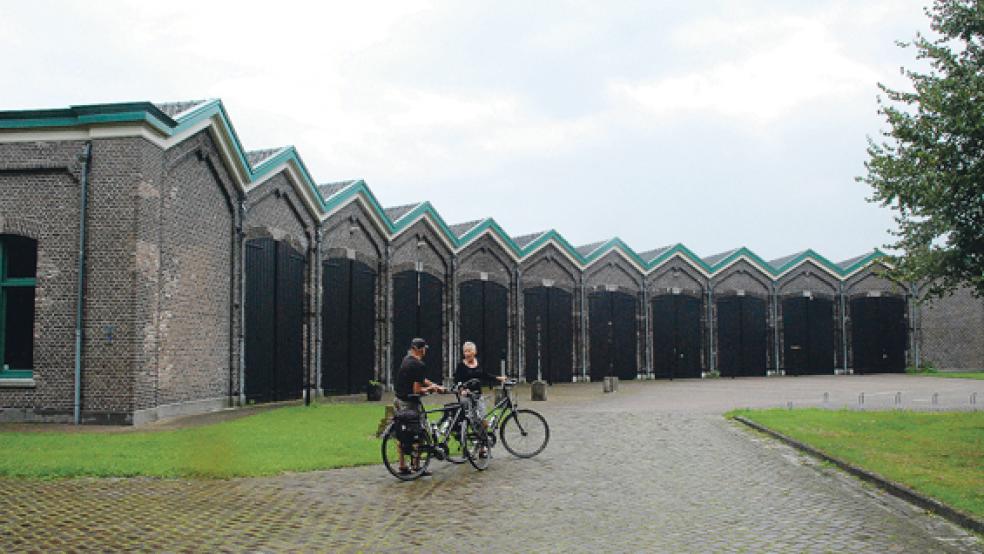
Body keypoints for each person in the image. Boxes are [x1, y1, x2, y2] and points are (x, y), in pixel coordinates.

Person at [394, 338, 445, 475]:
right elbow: (417, 390)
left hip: (399, 399)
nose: (425, 351)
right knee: (418, 432)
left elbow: (421, 380)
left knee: (401, 432)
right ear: (420, 349)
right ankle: (417, 466)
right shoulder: (419, 365)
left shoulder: (406, 360)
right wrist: (432, 389)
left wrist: (434, 385)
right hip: (410, 403)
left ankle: (402, 466)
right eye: (424, 349)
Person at [453, 341, 505, 431]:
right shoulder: (461, 365)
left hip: (478, 394)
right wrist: (462, 390)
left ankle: (483, 440)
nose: (467, 353)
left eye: (469, 351)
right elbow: (456, 380)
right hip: (466, 396)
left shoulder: (478, 363)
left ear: (475, 352)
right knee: (472, 419)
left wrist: (498, 378)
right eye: (465, 351)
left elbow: (484, 375)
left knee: (483, 418)